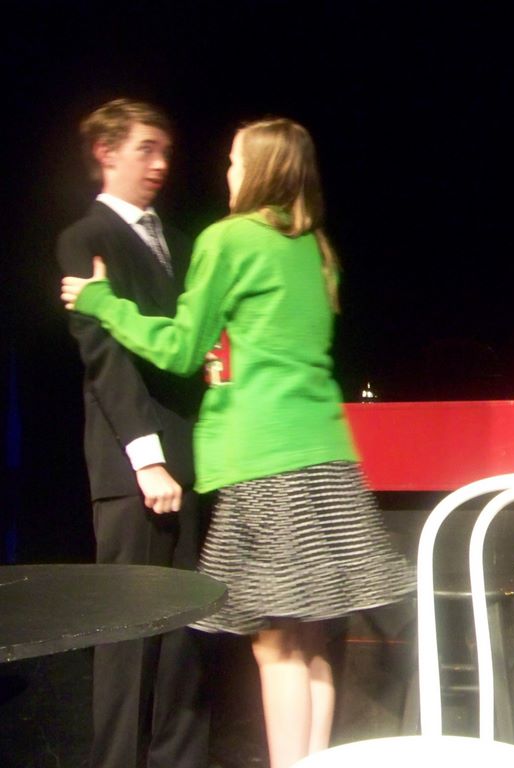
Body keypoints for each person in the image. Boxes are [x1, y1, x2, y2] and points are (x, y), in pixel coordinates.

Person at [62, 116, 414, 768]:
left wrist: (102, 301)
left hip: (265, 459)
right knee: (311, 637)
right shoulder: (314, 249)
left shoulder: (227, 238)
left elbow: (180, 347)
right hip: (327, 457)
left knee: (274, 645)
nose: (227, 172)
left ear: (259, 169)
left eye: (234, 161)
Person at [58, 98, 208, 768]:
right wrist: (147, 461)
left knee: (185, 635)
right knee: (128, 634)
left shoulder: (178, 241)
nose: (160, 163)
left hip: (191, 455)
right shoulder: (86, 236)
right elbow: (106, 361)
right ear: (106, 151)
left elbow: (187, 343)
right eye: (146, 148)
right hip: (135, 466)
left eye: (165, 150)